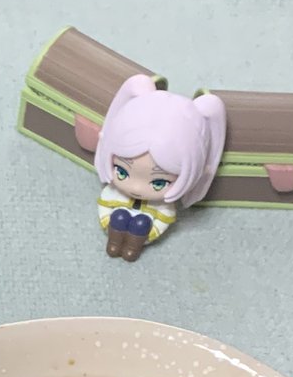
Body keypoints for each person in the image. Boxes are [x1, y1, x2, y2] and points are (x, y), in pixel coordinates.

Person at [94, 75, 226, 261]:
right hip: (115, 227)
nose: (136, 187)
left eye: (158, 182)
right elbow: (104, 206)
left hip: (141, 235)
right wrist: (110, 222)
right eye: (122, 172)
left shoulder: (162, 205)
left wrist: (150, 232)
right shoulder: (114, 195)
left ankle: (132, 247)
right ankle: (114, 243)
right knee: (120, 217)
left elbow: (163, 219)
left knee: (141, 223)